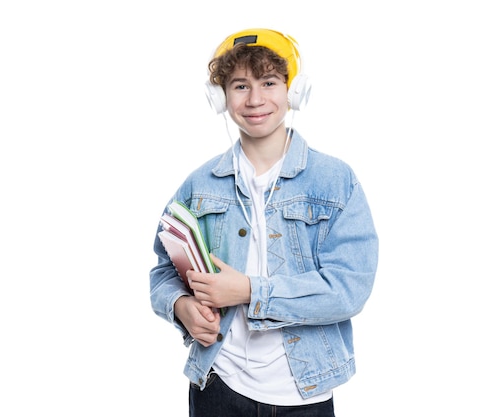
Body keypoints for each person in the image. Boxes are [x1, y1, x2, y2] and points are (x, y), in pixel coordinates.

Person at [149, 28, 378, 417]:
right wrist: (180, 305)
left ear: (292, 91)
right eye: (240, 85)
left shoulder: (336, 181)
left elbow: (349, 288)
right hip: (218, 385)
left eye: (269, 82)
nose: (255, 99)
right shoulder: (198, 185)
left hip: (303, 394)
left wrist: (250, 292)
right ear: (221, 97)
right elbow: (163, 272)